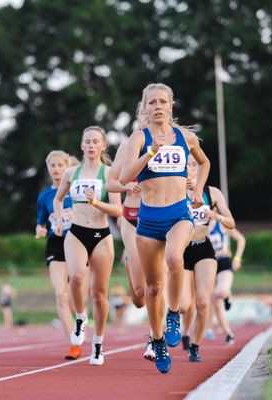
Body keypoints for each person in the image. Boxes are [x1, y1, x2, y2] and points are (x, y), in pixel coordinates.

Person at [119, 83, 210, 373]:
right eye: (152, 103)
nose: (158, 107)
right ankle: (157, 340)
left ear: (171, 105)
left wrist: (198, 190)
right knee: (153, 288)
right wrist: (149, 154)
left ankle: (174, 315)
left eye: (162, 102)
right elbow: (123, 177)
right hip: (148, 220)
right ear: (144, 108)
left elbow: (204, 162)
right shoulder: (138, 138)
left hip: (178, 214)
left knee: (174, 259)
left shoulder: (186, 137)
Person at [54, 125, 122, 366]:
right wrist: (60, 219)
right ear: (82, 146)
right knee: (77, 276)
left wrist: (97, 202)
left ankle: (98, 344)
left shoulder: (109, 172)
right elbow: (58, 197)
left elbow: (118, 210)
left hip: (102, 235)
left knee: (100, 296)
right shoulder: (71, 172)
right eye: (87, 141)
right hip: (77, 231)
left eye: (96, 141)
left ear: (103, 145)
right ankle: (81, 318)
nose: (91, 145)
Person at [106, 134, 158, 361]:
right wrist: (127, 186)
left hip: (159, 217)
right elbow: (111, 182)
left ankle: (155, 340)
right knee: (138, 296)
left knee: (156, 283)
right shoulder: (128, 146)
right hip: (131, 217)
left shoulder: (172, 143)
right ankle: (129, 263)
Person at [179, 155, 235, 362]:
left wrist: (217, 216)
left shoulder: (212, 193)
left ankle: (195, 345)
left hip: (203, 248)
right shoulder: (173, 191)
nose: (190, 169)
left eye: (194, 165)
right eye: (186, 164)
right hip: (181, 250)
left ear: (201, 168)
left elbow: (231, 222)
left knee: (203, 302)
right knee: (185, 304)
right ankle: (180, 328)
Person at [36, 149, 89, 360]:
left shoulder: (77, 189)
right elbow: (40, 222)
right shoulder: (45, 196)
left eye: (60, 165)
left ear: (68, 166)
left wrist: (74, 214)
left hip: (78, 241)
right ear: (49, 168)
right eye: (53, 166)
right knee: (60, 294)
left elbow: (91, 213)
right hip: (56, 244)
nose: (56, 169)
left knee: (79, 297)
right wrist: (39, 229)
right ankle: (73, 343)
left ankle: (81, 319)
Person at [208, 221, 245, 344]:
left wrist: (237, 258)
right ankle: (228, 333)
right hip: (208, 264)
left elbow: (241, 239)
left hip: (224, 261)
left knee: (221, 292)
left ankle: (227, 295)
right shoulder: (200, 225)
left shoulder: (221, 223)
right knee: (215, 302)